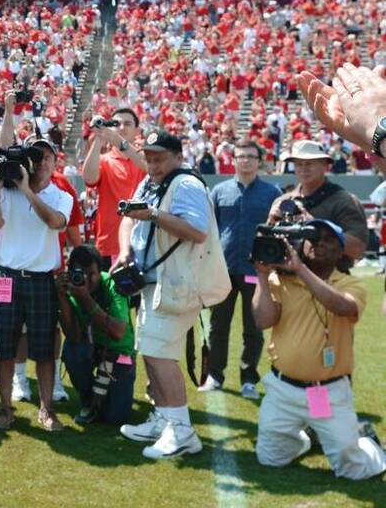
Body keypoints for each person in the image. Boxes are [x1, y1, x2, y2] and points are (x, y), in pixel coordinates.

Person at [251, 221, 386, 480]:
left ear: (340, 252)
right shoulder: (280, 280)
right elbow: (263, 320)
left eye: (328, 240)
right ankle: (306, 439)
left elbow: (343, 308)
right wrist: (261, 277)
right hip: (283, 389)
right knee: (270, 459)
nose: (319, 243)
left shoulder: (349, 283)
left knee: (353, 471)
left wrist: (300, 270)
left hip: (327, 391)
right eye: (313, 237)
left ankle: (367, 443)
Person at [118, 131, 212, 460]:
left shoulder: (185, 184)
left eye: (159, 158)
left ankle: (182, 430)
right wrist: (124, 251)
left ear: (177, 156)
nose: (153, 164)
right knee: (150, 351)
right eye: (150, 158)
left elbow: (197, 231)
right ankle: (164, 419)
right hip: (151, 281)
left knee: (160, 355)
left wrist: (155, 214)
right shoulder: (152, 182)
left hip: (174, 283)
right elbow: (128, 218)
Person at [0, 139, 72, 432]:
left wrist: (26, 190)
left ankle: (47, 409)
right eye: (38, 156)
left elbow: (55, 223)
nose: (43, 161)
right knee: (4, 347)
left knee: (45, 349)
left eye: (48, 156)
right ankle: (6, 408)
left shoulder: (61, 196)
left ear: (56, 163)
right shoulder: (8, 190)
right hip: (8, 275)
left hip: (40, 279)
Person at [203, 140, 282, 399]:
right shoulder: (219, 191)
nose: (245, 160)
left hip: (256, 269)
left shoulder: (272, 193)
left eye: (250, 156)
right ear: (233, 160)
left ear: (259, 161)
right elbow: (209, 229)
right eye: (240, 156)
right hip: (223, 268)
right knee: (218, 326)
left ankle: (249, 379)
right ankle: (215, 375)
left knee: (254, 327)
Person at [56, 244, 136, 425]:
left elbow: (118, 332)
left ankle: (100, 398)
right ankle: (89, 398)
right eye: (79, 272)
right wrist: (62, 299)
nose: (85, 279)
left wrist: (86, 300)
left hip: (118, 353)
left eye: (91, 273)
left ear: (101, 272)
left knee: (114, 418)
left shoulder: (113, 285)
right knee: (72, 351)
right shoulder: (70, 289)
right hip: (90, 348)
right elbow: (73, 337)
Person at [270, 140, 367, 272]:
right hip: (288, 280)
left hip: (329, 280)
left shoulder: (343, 200)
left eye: (309, 163)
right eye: (299, 164)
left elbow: (357, 248)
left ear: (324, 165)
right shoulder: (283, 201)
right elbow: (265, 246)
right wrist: (271, 223)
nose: (303, 168)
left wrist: (315, 226)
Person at [81, 108, 147, 262]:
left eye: (128, 124)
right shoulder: (104, 160)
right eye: (117, 124)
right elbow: (89, 179)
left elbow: (146, 165)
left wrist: (119, 142)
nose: (122, 128)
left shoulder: (145, 157)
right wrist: (99, 137)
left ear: (137, 130)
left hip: (142, 242)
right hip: (109, 244)